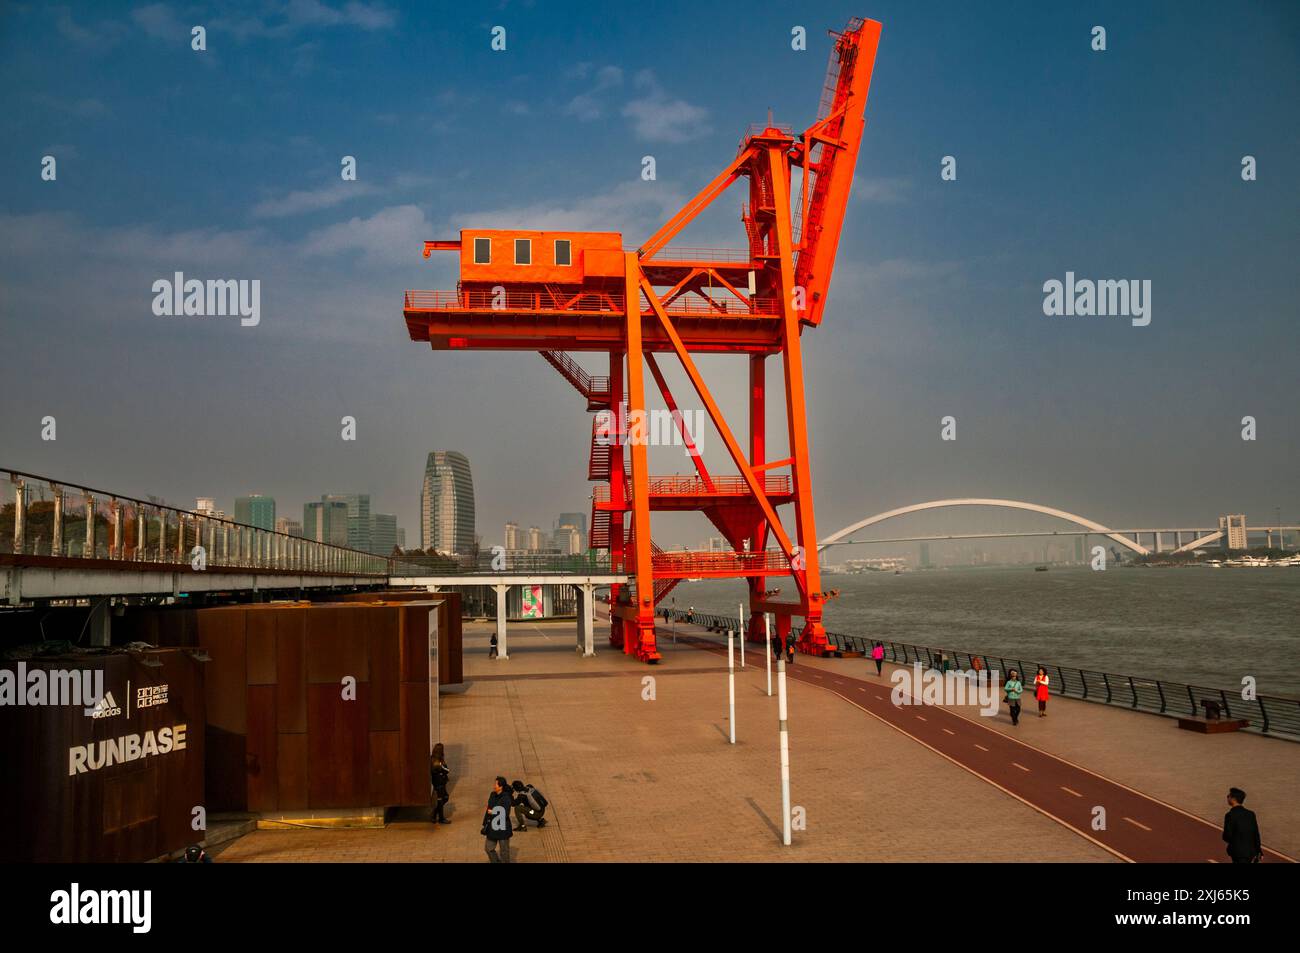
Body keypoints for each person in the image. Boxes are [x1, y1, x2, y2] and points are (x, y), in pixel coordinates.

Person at [1222, 788, 1262, 863]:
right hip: (1250, 851)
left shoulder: (1230, 815)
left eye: (1228, 796)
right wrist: (1259, 850)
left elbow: (1227, 836)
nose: (1227, 798)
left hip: (1237, 852)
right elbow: (1256, 833)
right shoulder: (1250, 814)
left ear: (1233, 798)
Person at [482, 776, 514, 863]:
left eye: (496, 784)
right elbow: (488, 809)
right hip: (492, 827)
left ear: (501, 787)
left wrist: (493, 811)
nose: (494, 786)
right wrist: (485, 823)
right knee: (488, 848)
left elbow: (506, 813)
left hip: (503, 828)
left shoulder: (506, 798)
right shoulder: (492, 795)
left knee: (504, 852)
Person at [429, 743, 451, 825]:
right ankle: (440, 818)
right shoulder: (437, 763)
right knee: (442, 800)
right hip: (439, 784)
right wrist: (444, 770)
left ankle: (434, 816)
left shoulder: (433, 759)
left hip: (438, 783)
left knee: (442, 799)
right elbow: (447, 770)